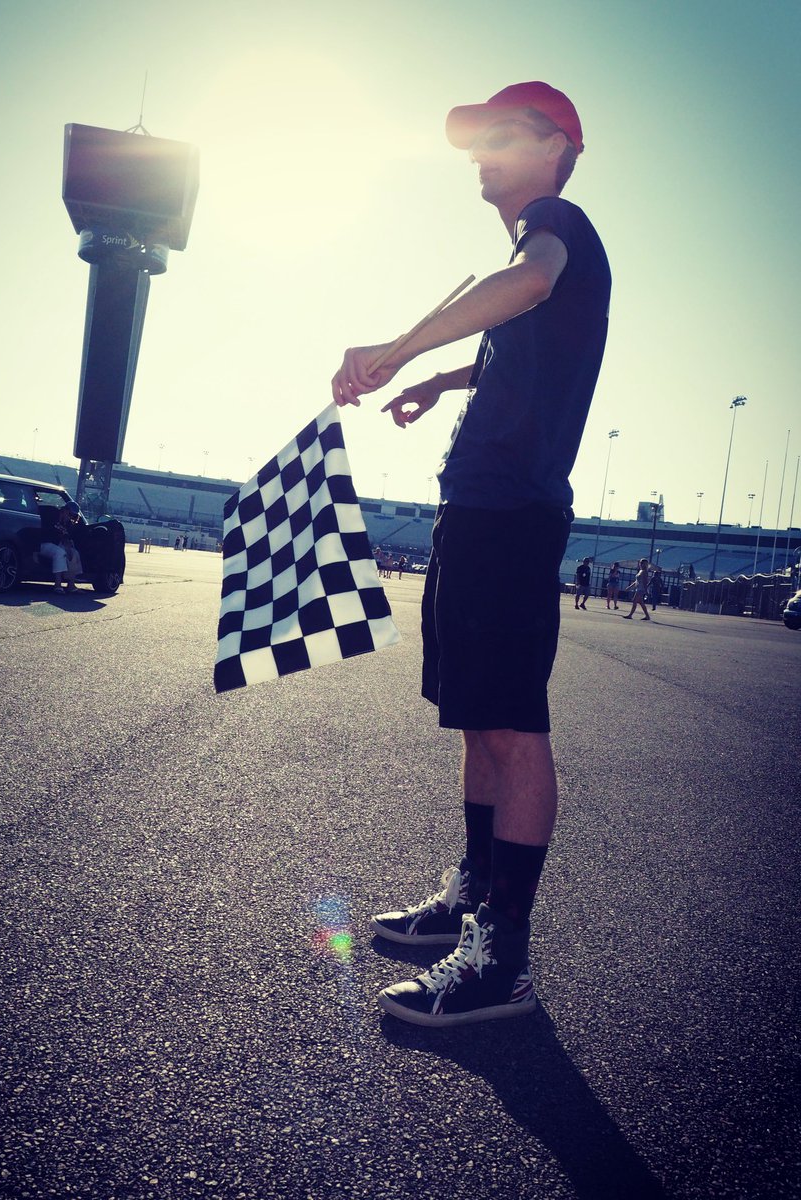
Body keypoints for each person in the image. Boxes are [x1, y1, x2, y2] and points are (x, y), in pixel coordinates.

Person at [331, 81, 610, 1026]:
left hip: (514, 515)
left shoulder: (556, 226)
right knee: (474, 719)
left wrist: (400, 350)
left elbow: (528, 284)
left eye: (504, 137)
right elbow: (505, 341)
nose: (484, 153)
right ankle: (472, 894)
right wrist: (442, 380)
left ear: (555, 148)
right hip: (475, 507)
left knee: (511, 727)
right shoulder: (526, 253)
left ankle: (505, 960)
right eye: (476, 141)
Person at [40, 500, 83, 592]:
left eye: (73, 516)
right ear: (65, 510)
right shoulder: (52, 515)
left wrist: (69, 547)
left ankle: (71, 585)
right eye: (70, 514)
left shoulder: (68, 524)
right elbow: (45, 532)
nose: (71, 517)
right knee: (60, 553)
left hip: (58, 544)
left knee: (74, 553)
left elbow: (67, 538)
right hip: (45, 543)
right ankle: (58, 585)